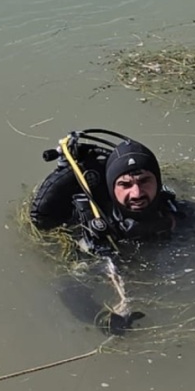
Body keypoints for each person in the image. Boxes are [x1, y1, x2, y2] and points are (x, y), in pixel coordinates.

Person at [29, 129, 183, 334]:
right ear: (111, 187)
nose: (136, 193)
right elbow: (69, 287)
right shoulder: (93, 228)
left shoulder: (176, 212)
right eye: (125, 184)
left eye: (144, 181)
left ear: (158, 181)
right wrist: (102, 319)